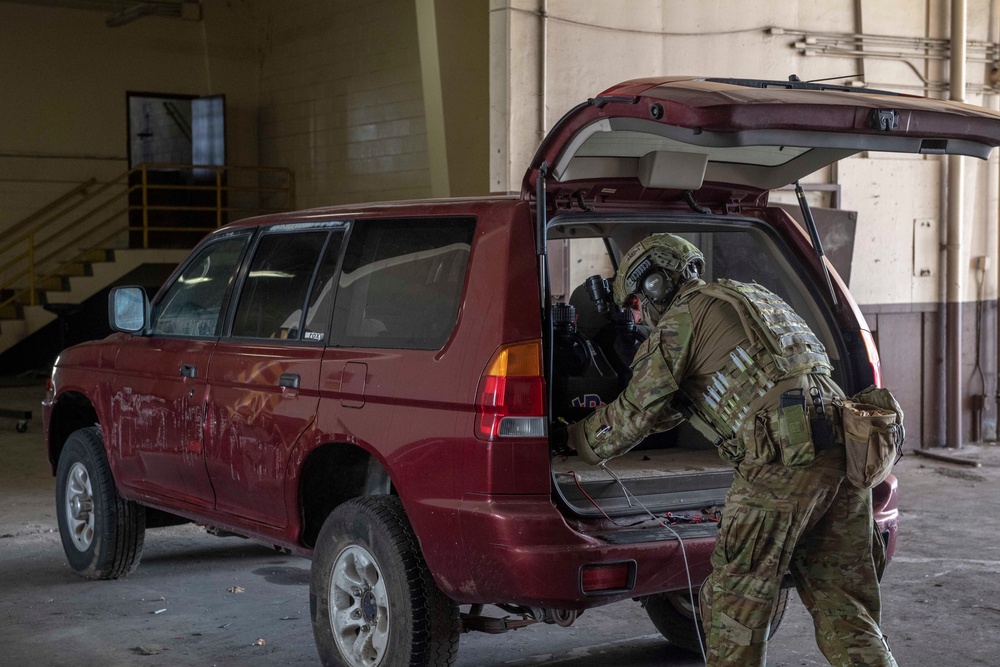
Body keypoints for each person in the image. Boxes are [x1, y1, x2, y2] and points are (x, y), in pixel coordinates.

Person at [565, 233, 897, 666]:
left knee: (734, 605)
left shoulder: (681, 319)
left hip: (782, 461)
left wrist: (578, 439)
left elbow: (634, 412)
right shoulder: (750, 297)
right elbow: (699, 397)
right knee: (846, 610)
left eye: (636, 300)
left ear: (655, 285)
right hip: (845, 451)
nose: (639, 313)